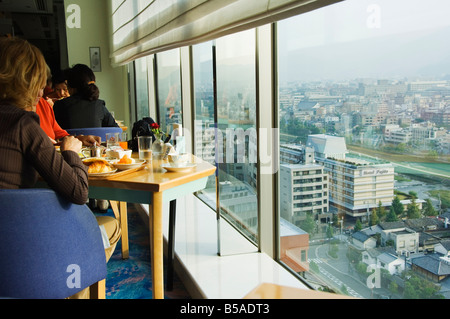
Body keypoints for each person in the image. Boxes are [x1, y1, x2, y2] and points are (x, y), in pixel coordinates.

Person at [0, 37, 120, 298]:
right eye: (38, 83)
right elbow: (78, 191)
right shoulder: (23, 125)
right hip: (27, 249)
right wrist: (71, 153)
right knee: (111, 225)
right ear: (24, 82)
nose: (43, 92)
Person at [54, 64, 119, 129]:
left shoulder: (60, 106)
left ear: (70, 87)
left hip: (71, 139)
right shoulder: (99, 105)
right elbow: (116, 131)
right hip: (96, 139)